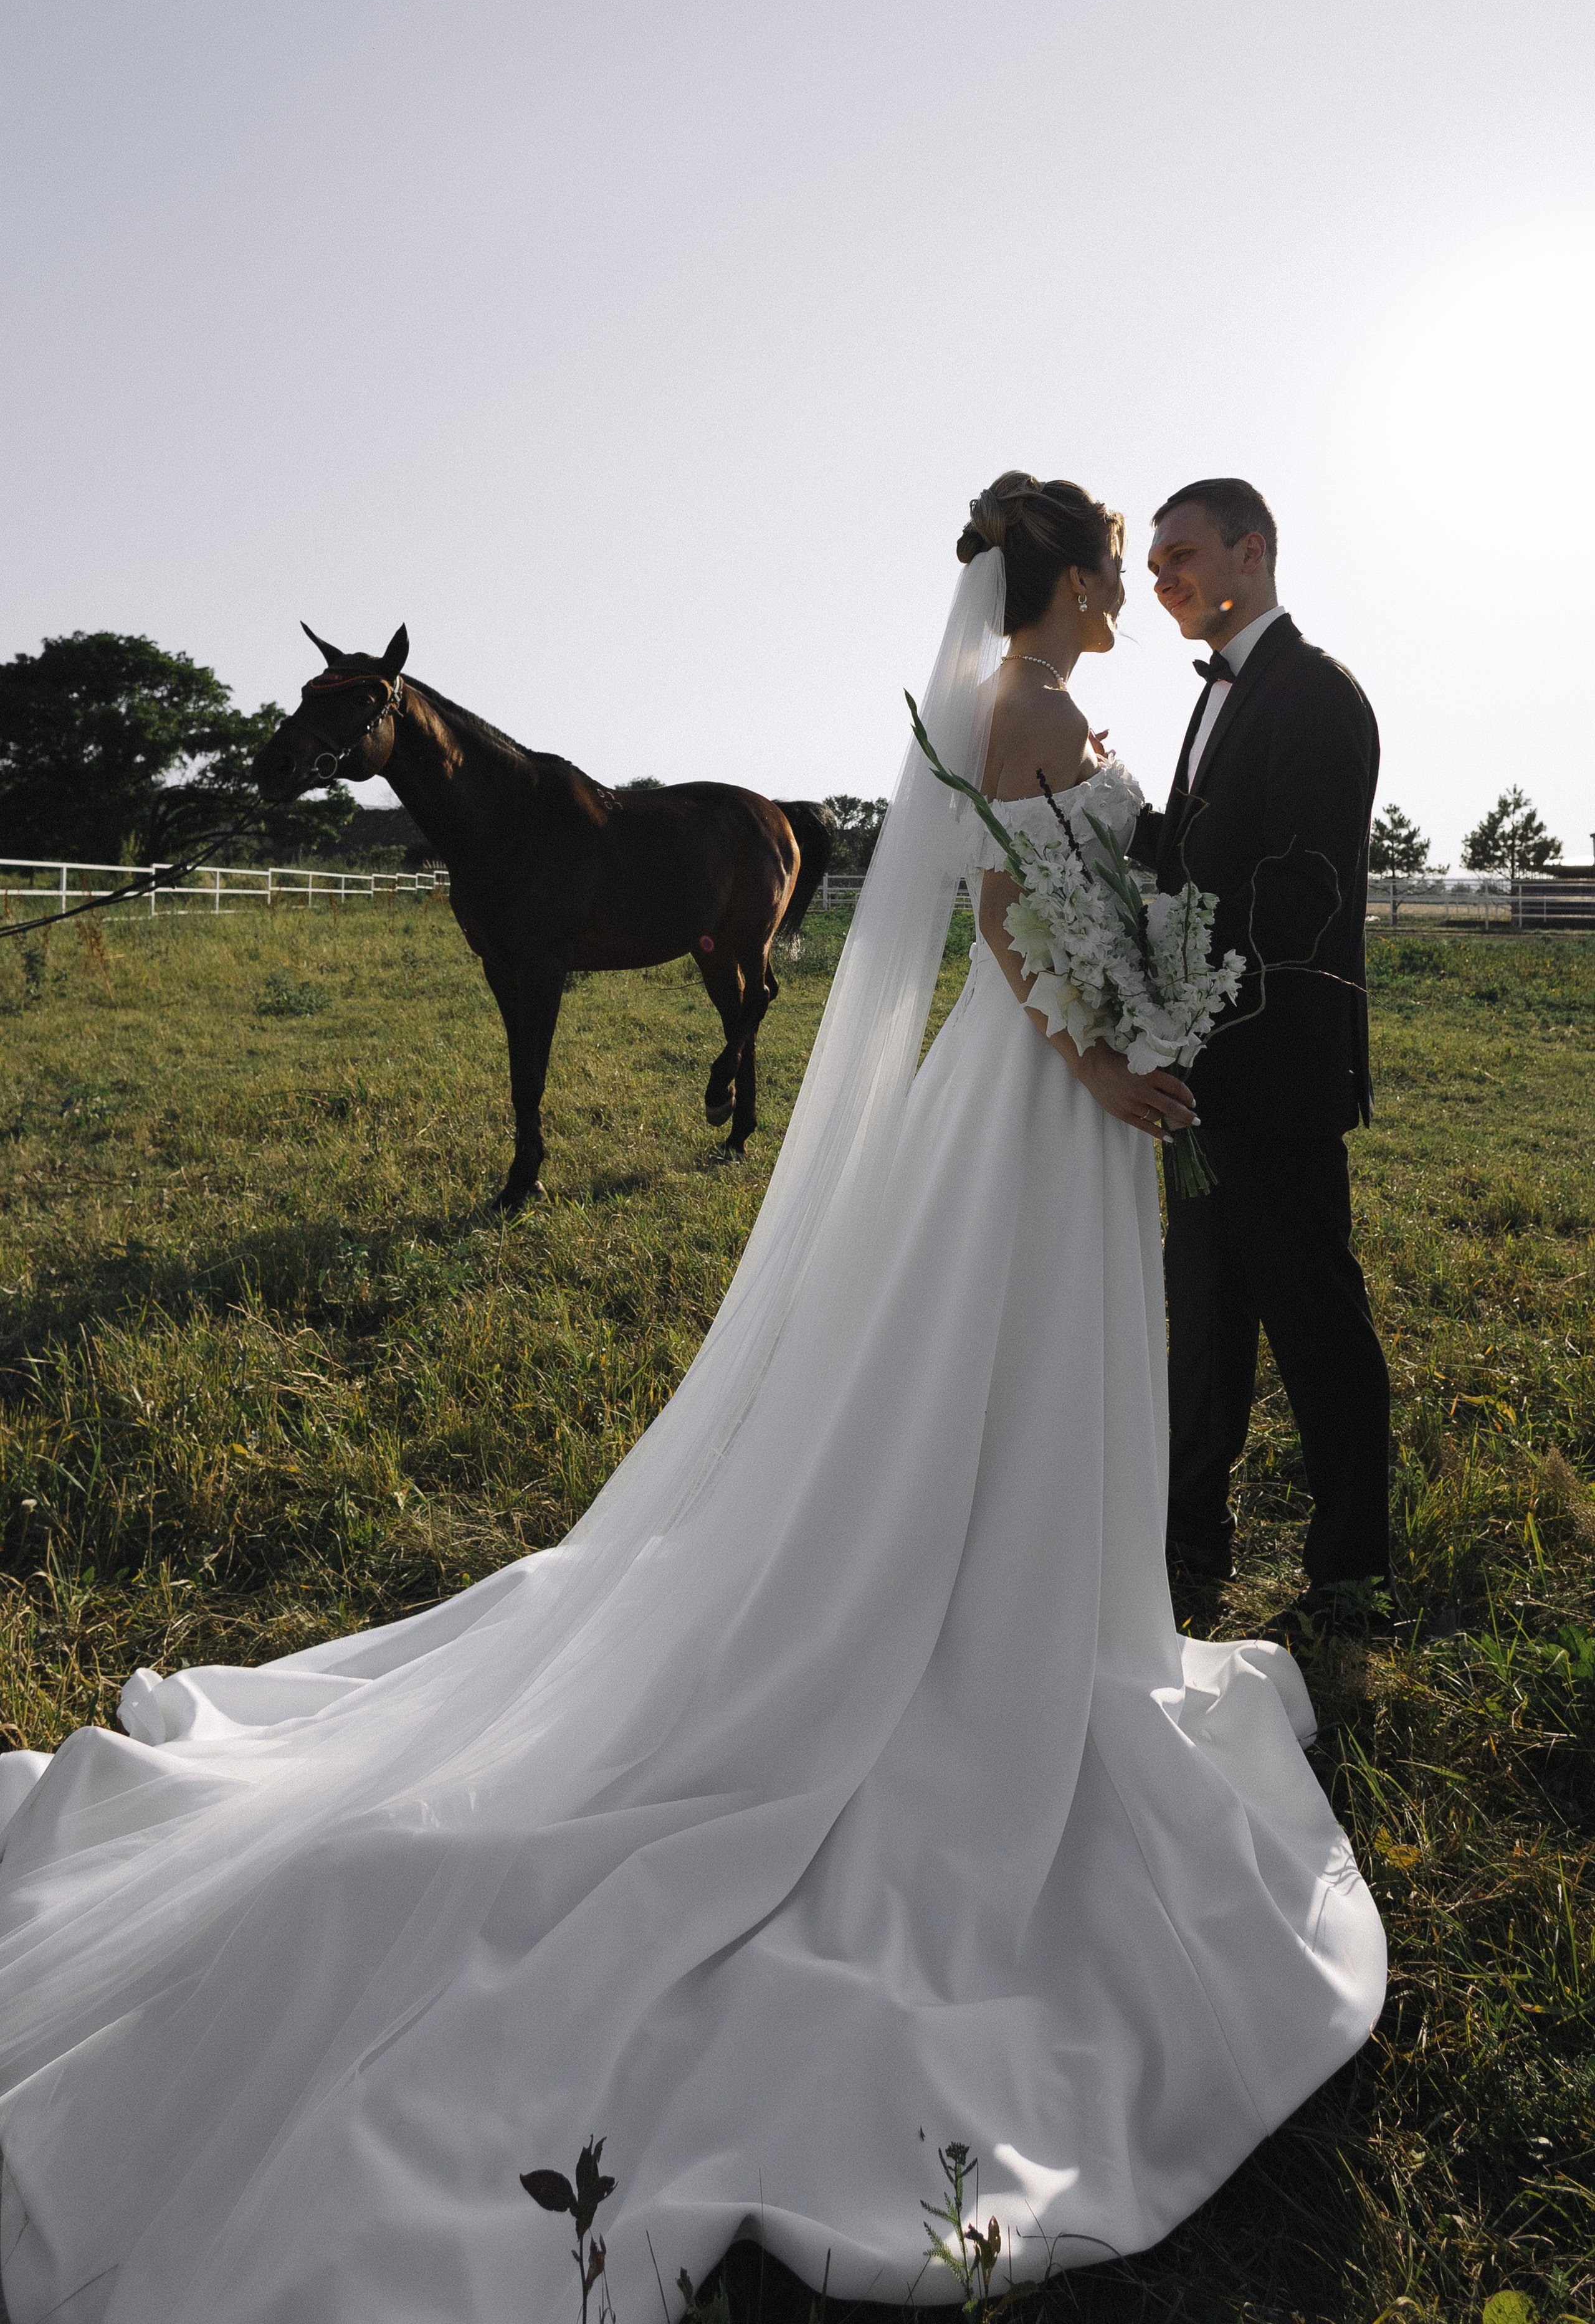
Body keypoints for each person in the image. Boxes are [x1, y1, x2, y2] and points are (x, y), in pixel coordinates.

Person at [0, 478, 1384, 2324]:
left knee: (994, 1371)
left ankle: (1004, 1590)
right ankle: (1001, 1631)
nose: (1139, 583)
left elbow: (1010, 902)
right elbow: (1014, 915)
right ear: (1060, 582)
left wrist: (1118, 1022)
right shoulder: (1036, 714)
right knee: (1020, 1364)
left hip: (1046, 1092)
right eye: (1122, 564)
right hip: (1059, 1099)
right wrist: (1110, 1056)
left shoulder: (1017, 710)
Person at [1133, 479, 1389, 1628]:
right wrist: (1104, 816)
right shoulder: (1215, 700)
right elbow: (1199, 852)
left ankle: (1347, 1570)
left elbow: (1306, 886)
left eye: (1181, 553)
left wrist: (1176, 961)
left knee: (1313, 1318)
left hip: (1278, 1064)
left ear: (1253, 550)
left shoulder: (1317, 694)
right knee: (1208, 1317)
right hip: (1201, 1070)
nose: (1161, 578)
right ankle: (1192, 1543)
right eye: (1152, 563)